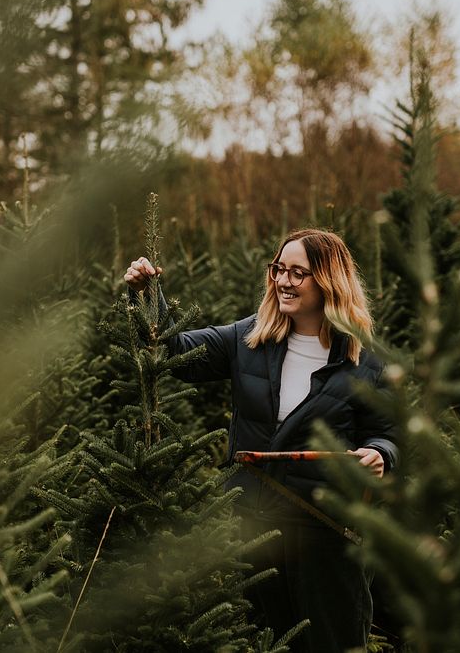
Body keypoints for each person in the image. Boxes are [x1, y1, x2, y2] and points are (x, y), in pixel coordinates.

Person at [124, 228, 398, 653]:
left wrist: (379, 454)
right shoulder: (248, 338)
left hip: (325, 530)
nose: (284, 281)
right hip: (253, 526)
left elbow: (388, 434)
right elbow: (175, 351)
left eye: (298, 273)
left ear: (329, 280)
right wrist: (147, 294)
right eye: (279, 269)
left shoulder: (365, 361)